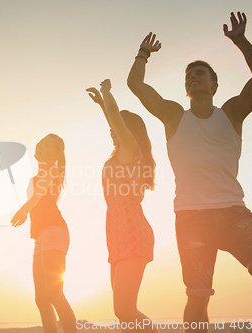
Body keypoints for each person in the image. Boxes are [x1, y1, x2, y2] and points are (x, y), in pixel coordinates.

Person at [127, 12, 252, 332]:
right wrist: (143, 54)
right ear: (186, 89)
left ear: (215, 84)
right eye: (189, 76)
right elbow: (135, 84)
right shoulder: (173, 116)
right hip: (191, 217)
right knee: (197, 297)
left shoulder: (232, 112)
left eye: (200, 74)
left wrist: (240, 40)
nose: (193, 77)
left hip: (233, 212)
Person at [87, 80, 158, 332]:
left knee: (124, 310)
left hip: (132, 233)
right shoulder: (121, 152)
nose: (112, 129)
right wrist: (103, 107)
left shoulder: (130, 150)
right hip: (117, 236)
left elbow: (118, 123)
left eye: (118, 126)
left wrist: (107, 94)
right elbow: (115, 124)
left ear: (132, 133)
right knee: (124, 315)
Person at [11, 134, 76, 333]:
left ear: (56, 154)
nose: (40, 145)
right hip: (41, 236)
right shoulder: (38, 175)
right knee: (41, 299)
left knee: (55, 294)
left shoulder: (51, 171)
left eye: (47, 145)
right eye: (41, 142)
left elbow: (38, 194)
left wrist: (24, 210)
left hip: (54, 231)